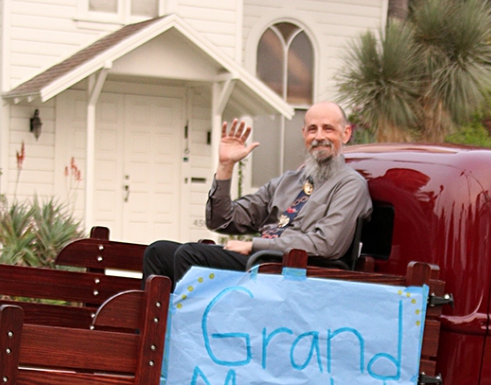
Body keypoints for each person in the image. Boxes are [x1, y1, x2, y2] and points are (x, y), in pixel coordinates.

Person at [143, 101, 372, 288]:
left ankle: (192, 336)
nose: (319, 136)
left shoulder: (350, 185)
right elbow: (222, 221)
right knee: (159, 252)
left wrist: (256, 246)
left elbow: (326, 245)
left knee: (190, 256)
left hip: (292, 273)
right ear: (303, 134)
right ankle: (153, 334)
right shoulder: (288, 182)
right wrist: (226, 166)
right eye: (312, 129)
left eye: (328, 129)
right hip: (263, 263)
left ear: (346, 133)